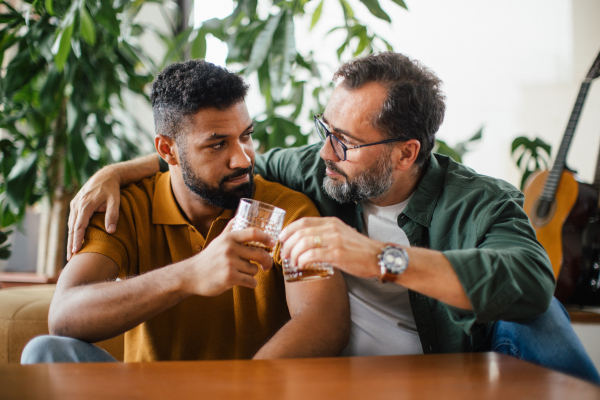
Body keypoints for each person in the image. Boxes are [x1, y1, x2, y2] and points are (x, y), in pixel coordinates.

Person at [66, 53, 599, 383]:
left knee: (539, 312)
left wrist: (380, 257)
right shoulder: (314, 169)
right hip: (338, 377)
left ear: (406, 153)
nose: (324, 151)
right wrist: (120, 170)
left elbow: (531, 281)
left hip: (439, 368)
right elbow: (213, 161)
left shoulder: (480, 201)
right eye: (325, 129)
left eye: (344, 141)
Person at [21, 60, 350, 364]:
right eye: (217, 144)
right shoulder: (126, 207)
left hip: (249, 393)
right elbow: (64, 317)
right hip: (144, 394)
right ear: (168, 150)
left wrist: (248, 390)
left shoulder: (288, 210)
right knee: (45, 352)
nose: (244, 159)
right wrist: (190, 274)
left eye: (246, 136)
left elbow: (324, 323)